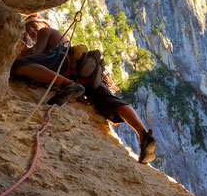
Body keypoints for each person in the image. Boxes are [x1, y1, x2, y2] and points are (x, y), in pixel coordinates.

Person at [11, 14, 156, 164]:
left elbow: (35, 53)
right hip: (83, 71)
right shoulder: (59, 37)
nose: (33, 31)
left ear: (44, 24)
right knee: (109, 101)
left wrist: (17, 45)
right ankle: (144, 135)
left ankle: (67, 85)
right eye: (28, 31)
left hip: (63, 62)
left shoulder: (45, 32)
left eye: (34, 25)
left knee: (18, 65)